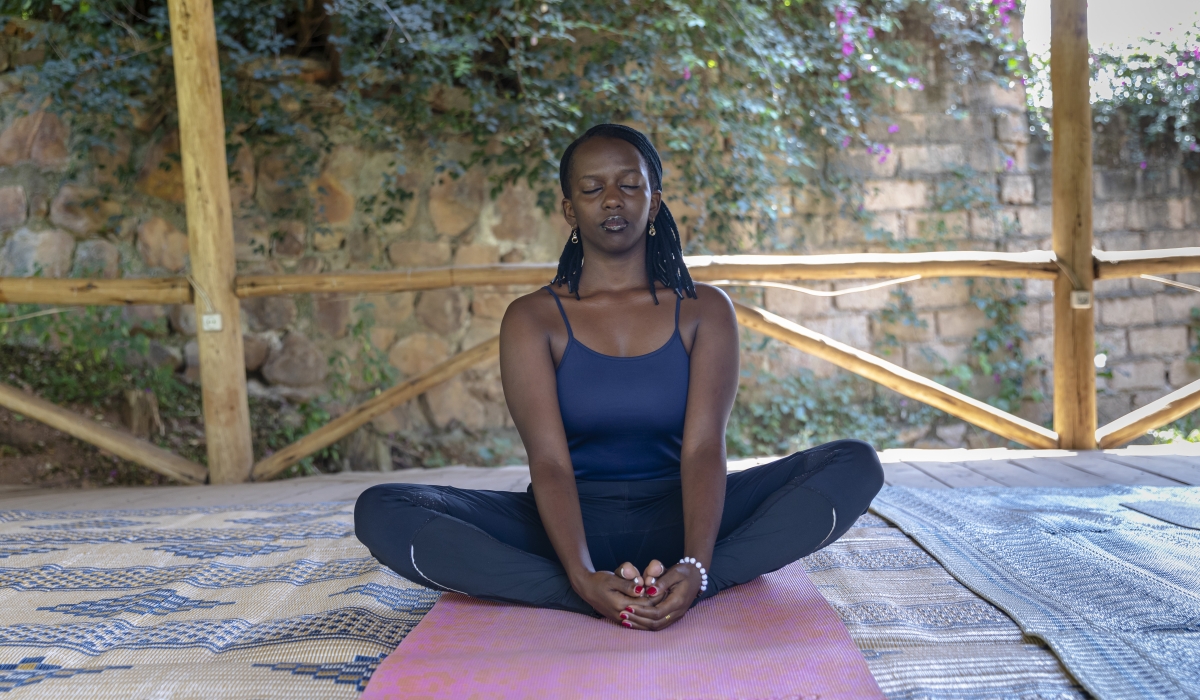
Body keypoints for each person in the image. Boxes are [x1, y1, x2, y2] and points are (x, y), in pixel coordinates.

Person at [354, 124, 883, 631]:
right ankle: (584, 594)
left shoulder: (704, 311)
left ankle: (695, 582)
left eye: (630, 185)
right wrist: (582, 577)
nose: (613, 199)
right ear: (570, 208)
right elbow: (550, 462)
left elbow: (704, 449)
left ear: (653, 202)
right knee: (382, 509)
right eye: (592, 188)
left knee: (854, 462)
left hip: (682, 515)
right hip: (564, 527)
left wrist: (698, 565)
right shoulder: (532, 319)